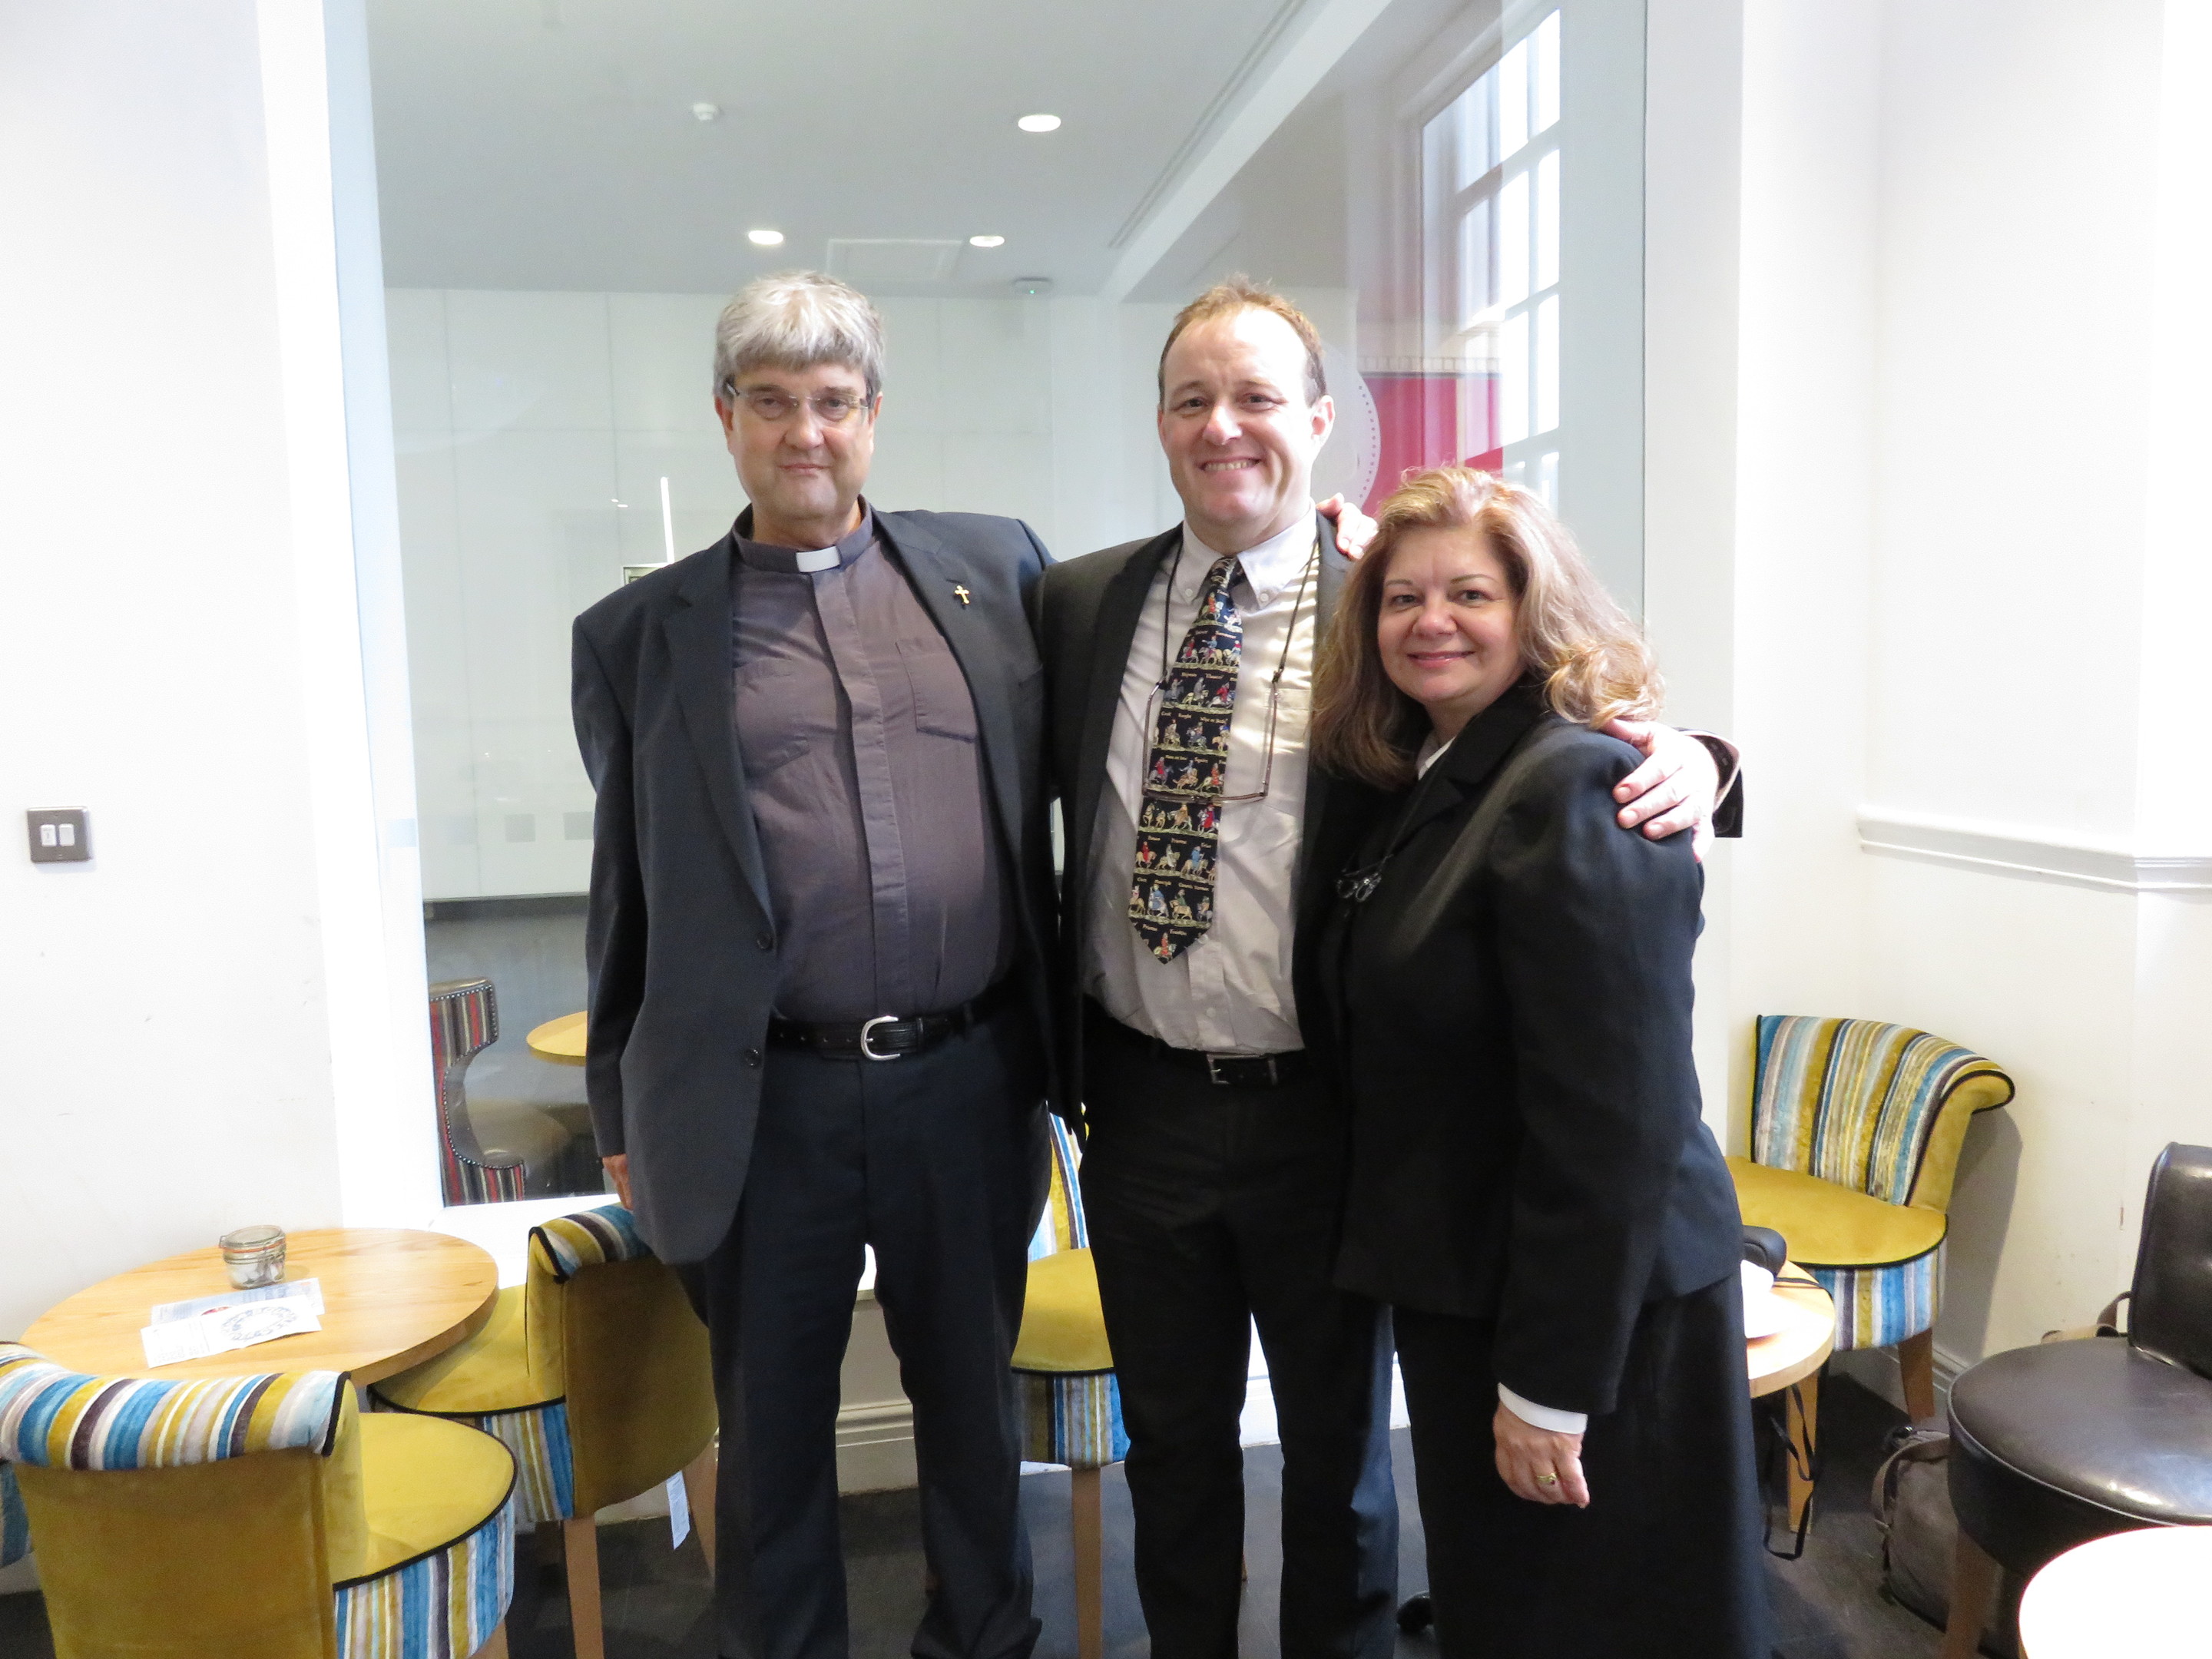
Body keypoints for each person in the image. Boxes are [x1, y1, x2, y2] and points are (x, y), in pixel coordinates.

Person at [1031, 280, 1741, 1659]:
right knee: (1171, 1445)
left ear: (1317, 419)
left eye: (1256, 397)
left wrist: (1699, 759)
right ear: (1161, 425)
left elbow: (1554, 706)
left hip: (1331, 1114)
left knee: (1337, 1452)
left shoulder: (1392, 597)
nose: (1223, 426)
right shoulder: (1073, 604)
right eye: (1192, 399)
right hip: (1142, 1104)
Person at [570, 272, 1059, 1659]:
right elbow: (632, 893)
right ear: (724, 419)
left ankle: (985, 1638)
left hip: (967, 1084)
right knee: (772, 1425)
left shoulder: (997, 573)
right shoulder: (635, 637)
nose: (806, 433)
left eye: (833, 403)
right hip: (759, 1102)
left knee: (970, 1409)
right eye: (772, 403)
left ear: (873, 416)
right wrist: (619, 1110)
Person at [1308, 467, 1770, 1659]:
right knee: (1513, 1610)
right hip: (1478, 1286)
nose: (1431, 620)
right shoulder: (1437, 775)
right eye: (1401, 597)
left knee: (1608, 1617)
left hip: (1585, 1318)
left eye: (1471, 592)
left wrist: (1549, 1385)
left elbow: (1612, 1122)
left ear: (1535, 612)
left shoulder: (1575, 784)